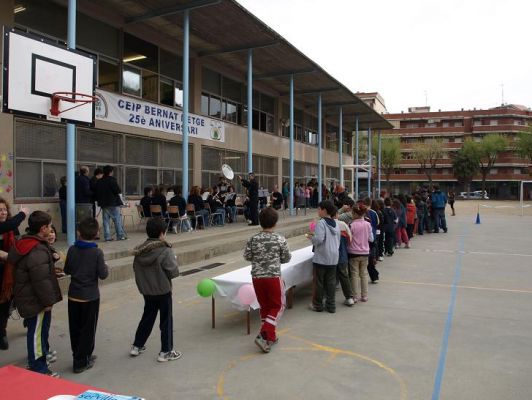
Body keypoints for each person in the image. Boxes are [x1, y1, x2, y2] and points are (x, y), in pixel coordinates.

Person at [8, 211, 62, 376]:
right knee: (36, 334)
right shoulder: (36, 248)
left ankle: (41, 357)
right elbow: (40, 280)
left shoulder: (27, 242)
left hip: (29, 296)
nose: (51, 229)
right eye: (49, 226)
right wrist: (47, 302)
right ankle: (39, 368)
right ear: (43, 228)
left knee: (37, 331)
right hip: (35, 300)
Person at [130, 218, 181, 362]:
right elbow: (173, 272)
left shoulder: (139, 250)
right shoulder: (165, 250)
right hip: (163, 290)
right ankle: (166, 351)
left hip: (147, 290)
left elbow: (135, 268)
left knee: (147, 317)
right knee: (166, 321)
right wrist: (174, 260)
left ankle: (137, 345)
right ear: (162, 233)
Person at [64, 218, 108, 373]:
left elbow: (67, 270)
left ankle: (79, 355)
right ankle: (81, 361)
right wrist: (105, 266)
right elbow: (103, 274)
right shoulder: (97, 252)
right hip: (90, 297)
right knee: (88, 329)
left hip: (73, 295)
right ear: (96, 233)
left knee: (75, 328)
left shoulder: (72, 249)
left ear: (78, 232)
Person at [244, 208, 291, 353]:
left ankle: (270, 337)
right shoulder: (279, 239)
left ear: (260, 222)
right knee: (278, 306)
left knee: (265, 306)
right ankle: (264, 334)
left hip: (257, 277)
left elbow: (247, 256)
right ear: (275, 223)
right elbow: (286, 258)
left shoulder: (252, 239)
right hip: (273, 277)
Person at [0, 199, 28, 350]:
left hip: (9, 274)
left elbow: (18, 244)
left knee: (6, 304)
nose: (2, 213)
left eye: (4, 209)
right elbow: (8, 225)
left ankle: (2, 332)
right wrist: (22, 214)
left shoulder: (12, 228)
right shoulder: (9, 225)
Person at [308, 200, 341, 313]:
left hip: (322, 257)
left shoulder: (321, 223)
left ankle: (318, 305)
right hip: (333, 257)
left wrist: (311, 238)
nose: (318, 211)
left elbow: (319, 239)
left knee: (319, 282)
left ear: (324, 210)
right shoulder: (336, 223)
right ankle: (331, 305)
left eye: (319, 209)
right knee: (331, 282)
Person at [347, 206, 374, 303]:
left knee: (354, 275)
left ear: (355, 214)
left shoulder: (351, 225)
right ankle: (364, 296)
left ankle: (355, 296)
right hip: (365, 252)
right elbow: (371, 239)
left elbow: (349, 239)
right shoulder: (368, 224)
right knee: (364, 274)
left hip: (353, 253)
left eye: (352, 213)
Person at [94, 165, 127, 241]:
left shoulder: (99, 181)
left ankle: (107, 237)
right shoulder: (112, 180)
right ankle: (120, 236)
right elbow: (118, 190)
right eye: (112, 171)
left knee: (106, 221)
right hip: (113, 203)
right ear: (110, 172)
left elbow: (97, 192)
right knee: (117, 220)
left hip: (103, 204)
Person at [335, 214, 355, 306]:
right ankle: (349, 298)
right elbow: (350, 239)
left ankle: (327, 298)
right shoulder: (343, 225)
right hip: (342, 255)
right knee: (344, 276)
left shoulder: (323, 224)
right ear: (336, 215)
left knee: (329, 277)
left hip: (329, 257)